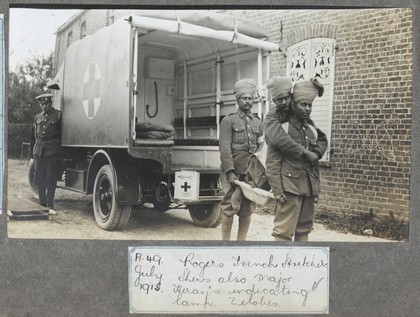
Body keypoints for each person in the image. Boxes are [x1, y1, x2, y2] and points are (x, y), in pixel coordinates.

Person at [265, 79, 328, 241]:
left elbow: (322, 140)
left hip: (308, 188)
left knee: (304, 229)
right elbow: (272, 162)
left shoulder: (310, 128)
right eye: (303, 105)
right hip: (289, 189)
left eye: (310, 105)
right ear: (295, 104)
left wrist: (318, 154)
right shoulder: (281, 126)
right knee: (283, 231)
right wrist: (277, 191)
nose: (307, 109)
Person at [219, 78, 264, 241]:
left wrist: (257, 175)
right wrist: (230, 172)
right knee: (230, 206)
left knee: (247, 208)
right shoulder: (228, 121)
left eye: (250, 98)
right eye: (244, 98)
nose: (248, 101)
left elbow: (261, 150)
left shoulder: (258, 122)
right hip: (234, 173)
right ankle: (225, 243)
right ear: (237, 100)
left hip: (250, 174)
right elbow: (224, 148)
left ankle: (241, 243)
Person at [31, 93, 62, 214]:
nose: (44, 107)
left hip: (52, 151)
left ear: (51, 103)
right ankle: (42, 203)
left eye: (47, 104)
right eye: (42, 105)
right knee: (39, 178)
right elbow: (34, 136)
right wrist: (32, 153)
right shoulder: (37, 117)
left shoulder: (58, 115)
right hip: (39, 151)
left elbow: (61, 135)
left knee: (51, 179)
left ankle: (50, 204)